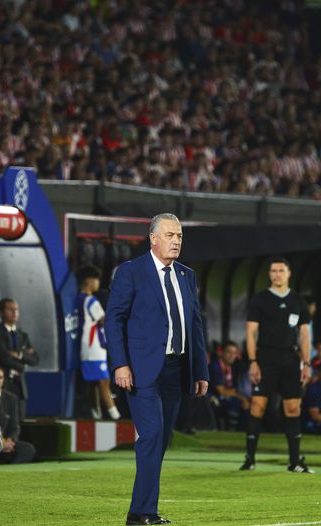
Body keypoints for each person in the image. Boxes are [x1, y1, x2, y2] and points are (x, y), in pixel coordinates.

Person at [105, 213, 209, 526]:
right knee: (151, 434)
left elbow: (195, 325)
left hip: (176, 370)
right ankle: (144, 512)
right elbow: (114, 319)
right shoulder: (131, 272)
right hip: (141, 370)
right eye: (169, 235)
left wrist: (201, 370)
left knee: (160, 440)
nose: (176, 241)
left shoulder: (187, 275)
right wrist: (120, 363)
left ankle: (140, 512)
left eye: (179, 236)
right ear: (153, 238)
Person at [241, 257, 313, 473]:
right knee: (258, 406)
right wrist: (253, 361)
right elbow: (251, 332)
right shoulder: (260, 299)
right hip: (265, 358)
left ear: (289, 273)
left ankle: (294, 462)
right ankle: (249, 459)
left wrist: (306, 363)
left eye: (281, 270)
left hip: (290, 360)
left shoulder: (298, 301)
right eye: (273, 271)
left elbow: (304, 334)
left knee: (293, 408)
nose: (276, 274)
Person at [76, 265, 120, 420]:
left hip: (87, 346)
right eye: (96, 279)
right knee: (103, 382)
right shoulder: (90, 300)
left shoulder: (78, 299)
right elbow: (104, 321)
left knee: (93, 383)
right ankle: (115, 417)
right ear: (88, 281)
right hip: (94, 347)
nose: (98, 282)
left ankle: (96, 415)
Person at [0, 298, 39, 420]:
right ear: (0, 313)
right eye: (10, 309)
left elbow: (35, 359)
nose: (15, 312)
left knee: (18, 423)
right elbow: (3, 357)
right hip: (1, 385)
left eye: (16, 309)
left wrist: (19, 355)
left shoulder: (23, 336)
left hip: (19, 387)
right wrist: (22, 365)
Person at [208, 341, 249, 430]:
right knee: (239, 403)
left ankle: (240, 430)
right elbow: (221, 391)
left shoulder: (234, 368)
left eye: (234, 353)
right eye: (229, 352)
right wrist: (242, 398)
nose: (232, 356)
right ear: (221, 353)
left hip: (226, 399)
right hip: (212, 401)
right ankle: (234, 430)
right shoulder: (215, 367)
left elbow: (233, 389)